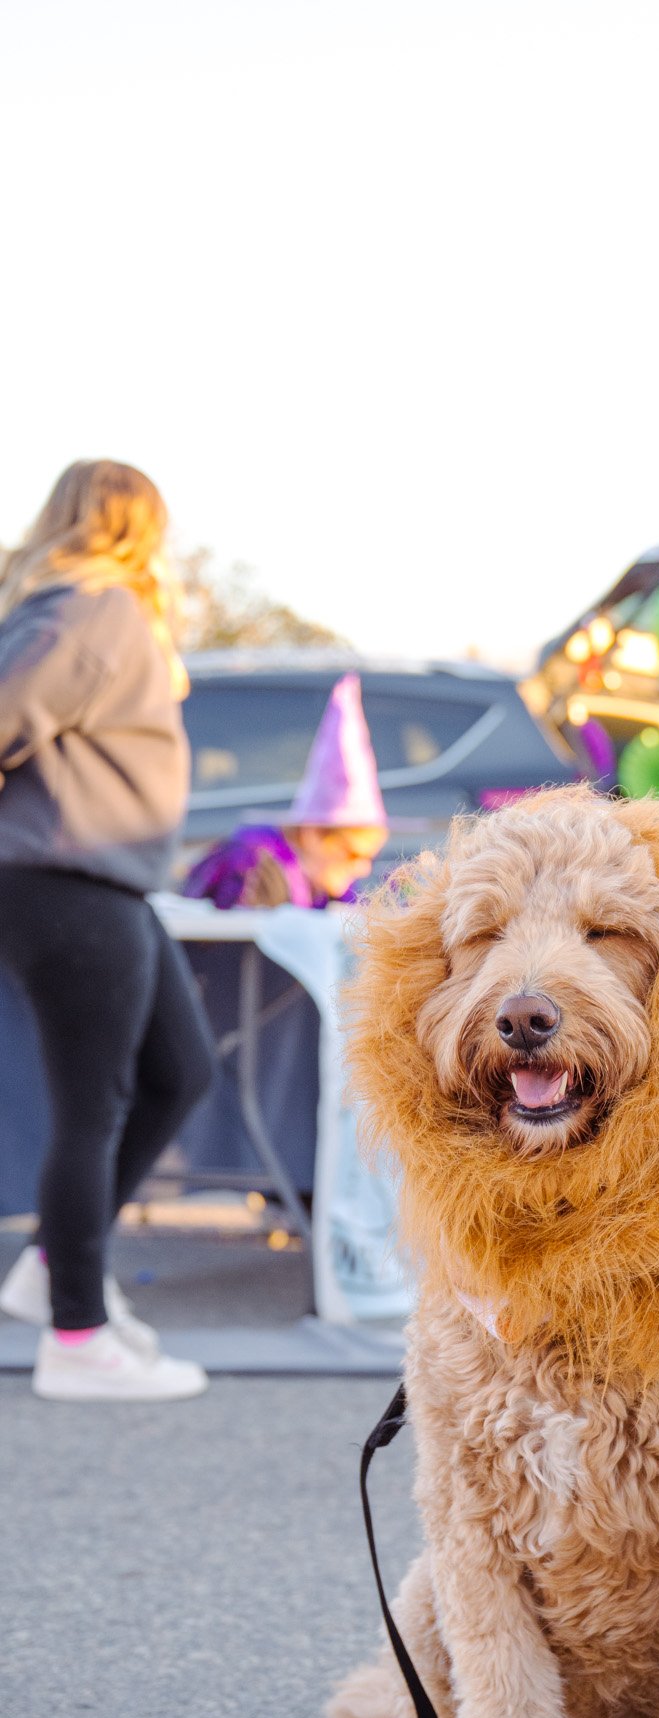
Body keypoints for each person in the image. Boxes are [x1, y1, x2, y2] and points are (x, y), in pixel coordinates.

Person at [0, 461, 214, 1401]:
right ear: (139, 526)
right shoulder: (91, 607)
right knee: (95, 1108)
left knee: (181, 1072)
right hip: (65, 877)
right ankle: (76, 1342)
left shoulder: (93, 610)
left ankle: (52, 1271)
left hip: (104, 879)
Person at [184, 672, 389, 909]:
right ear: (312, 835)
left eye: (369, 857)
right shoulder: (253, 868)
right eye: (352, 854)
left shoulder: (325, 882)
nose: (363, 868)